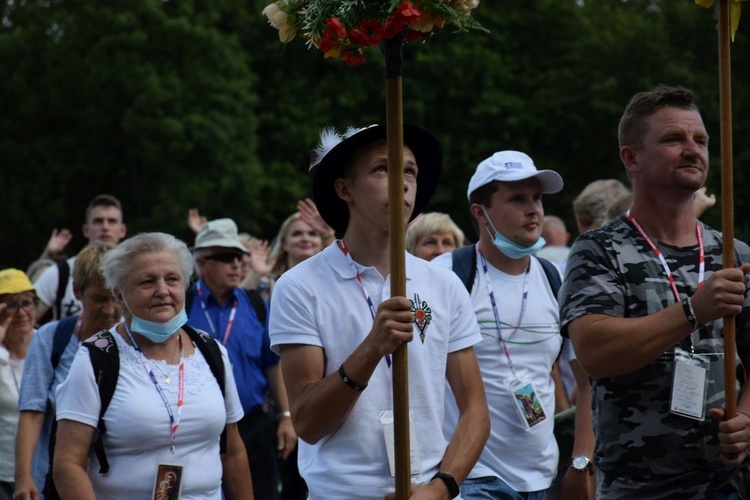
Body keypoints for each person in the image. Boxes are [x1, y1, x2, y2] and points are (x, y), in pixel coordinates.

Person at [269, 124, 490, 499]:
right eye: (383, 169)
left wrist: (442, 487)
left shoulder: (444, 284)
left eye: (410, 171)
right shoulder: (300, 285)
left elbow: (475, 410)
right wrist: (371, 349)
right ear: (345, 189)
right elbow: (306, 421)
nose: (402, 182)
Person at [559, 86, 750, 498]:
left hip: (731, 484)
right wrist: (694, 310)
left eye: (700, 140)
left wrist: (746, 421)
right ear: (632, 158)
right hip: (641, 485)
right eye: (672, 139)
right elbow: (594, 352)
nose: (691, 149)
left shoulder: (733, 251)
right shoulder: (599, 249)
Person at [433, 150, 591, 499]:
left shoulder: (557, 279)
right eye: (517, 198)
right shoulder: (446, 275)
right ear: (480, 212)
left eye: (536, 197)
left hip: (546, 477)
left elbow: (587, 380)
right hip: (471, 479)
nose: (533, 208)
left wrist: (581, 461)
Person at [53, 232, 253, 499]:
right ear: (119, 295)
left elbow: (233, 450)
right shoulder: (96, 359)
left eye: (172, 279)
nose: (163, 291)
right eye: (148, 282)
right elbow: (68, 464)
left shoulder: (211, 351)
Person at [188, 219, 294, 500]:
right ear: (201, 263)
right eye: (225, 257)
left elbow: (273, 365)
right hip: (199, 427)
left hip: (252, 425)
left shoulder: (257, 304)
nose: (236, 264)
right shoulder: (183, 304)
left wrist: (286, 417)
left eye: (239, 256)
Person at [14, 242, 119, 500]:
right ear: (77, 291)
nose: (109, 310)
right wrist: (23, 477)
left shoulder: (135, 343)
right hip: (51, 482)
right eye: (98, 299)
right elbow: (32, 410)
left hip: (113, 485)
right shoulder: (52, 339)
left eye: (116, 298)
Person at [33, 194, 127, 323]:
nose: (105, 227)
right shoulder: (60, 273)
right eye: (98, 221)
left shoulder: (134, 274)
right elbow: (25, 319)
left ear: (122, 230)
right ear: (85, 230)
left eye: (112, 221)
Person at [0, 270, 37, 500]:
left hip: (42, 469)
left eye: (27, 303)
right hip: (3, 473)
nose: (22, 312)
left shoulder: (48, 346)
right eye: (12, 306)